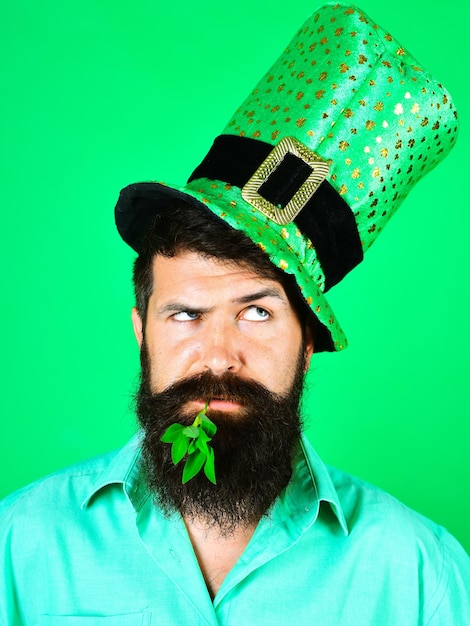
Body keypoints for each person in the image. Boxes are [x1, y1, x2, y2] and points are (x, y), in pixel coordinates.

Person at [1, 4, 469, 625]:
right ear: (142, 333)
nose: (218, 353)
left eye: (255, 313)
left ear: (308, 343)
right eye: (185, 315)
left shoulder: (419, 574)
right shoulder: (18, 549)